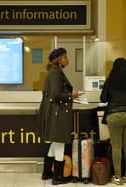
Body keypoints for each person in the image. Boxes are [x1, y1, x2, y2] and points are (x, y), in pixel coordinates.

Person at [38, 47, 81, 185]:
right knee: (60, 142)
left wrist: (69, 95)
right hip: (58, 113)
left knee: (55, 142)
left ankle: (47, 173)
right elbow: (56, 95)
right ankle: (57, 177)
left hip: (53, 112)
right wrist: (71, 95)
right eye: (64, 57)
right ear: (58, 59)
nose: (66, 59)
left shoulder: (53, 71)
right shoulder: (56, 73)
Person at [100, 57, 126, 185]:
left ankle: (117, 177)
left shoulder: (110, 81)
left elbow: (103, 99)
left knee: (116, 146)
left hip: (114, 115)